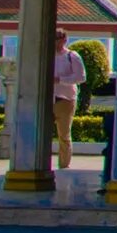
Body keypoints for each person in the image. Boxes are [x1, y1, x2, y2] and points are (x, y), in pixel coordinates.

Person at [52, 37, 85, 171]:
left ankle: (64, 164)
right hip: (48, 97)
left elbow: (81, 77)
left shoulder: (71, 56)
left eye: (58, 39)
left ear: (64, 40)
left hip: (65, 98)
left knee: (64, 134)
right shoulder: (47, 56)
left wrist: (60, 80)